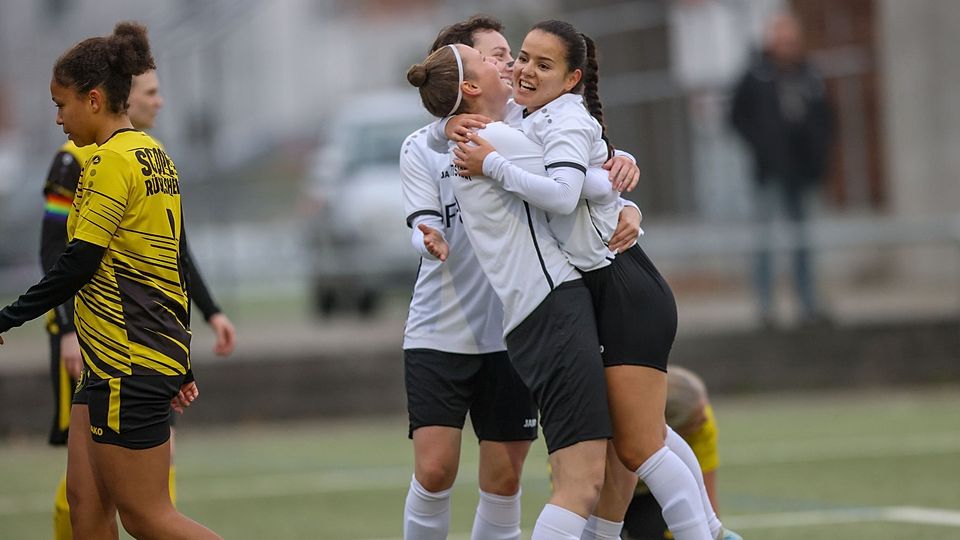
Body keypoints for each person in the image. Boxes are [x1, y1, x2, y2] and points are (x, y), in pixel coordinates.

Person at [451, 20, 735, 540]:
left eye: (542, 63)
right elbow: (586, 175)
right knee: (644, 437)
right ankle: (712, 530)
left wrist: (492, 164)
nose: (522, 69)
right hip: (602, 287)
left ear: (572, 77)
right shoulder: (528, 117)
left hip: (624, 286)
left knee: (640, 445)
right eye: (520, 58)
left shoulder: (560, 119)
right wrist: (618, 178)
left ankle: (709, 533)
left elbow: (562, 190)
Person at [401, 16, 643, 540]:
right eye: (495, 57)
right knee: (437, 469)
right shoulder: (431, 142)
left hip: (513, 325)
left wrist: (625, 178)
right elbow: (558, 180)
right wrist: (425, 232)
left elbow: (575, 164)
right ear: (463, 78)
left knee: (509, 475)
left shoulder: (528, 118)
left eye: (513, 54)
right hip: (446, 326)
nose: (511, 65)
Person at [0, 21, 220, 539]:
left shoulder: (106, 161)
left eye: (62, 104)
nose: (58, 118)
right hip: (111, 364)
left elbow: (76, 262)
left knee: (146, 516)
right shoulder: (155, 155)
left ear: (94, 100)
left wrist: (7, 316)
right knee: (85, 504)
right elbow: (172, 264)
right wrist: (180, 359)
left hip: (129, 363)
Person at [40, 66, 237, 539]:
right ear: (115, 96)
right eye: (150, 92)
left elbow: (174, 255)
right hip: (97, 346)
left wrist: (204, 319)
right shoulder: (75, 161)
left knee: (144, 508)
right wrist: (65, 328)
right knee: (86, 503)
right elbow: (57, 253)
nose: (158, 102)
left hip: (137, 349)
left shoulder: (151, 160)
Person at [730, 11, 834, 327]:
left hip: (803, 171)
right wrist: (762, 145)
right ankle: (765, 308)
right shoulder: (755, 75)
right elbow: (737, 117)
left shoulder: (809, 74)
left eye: (791, 39)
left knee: (803, 240)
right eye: (781, 38)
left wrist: (819, 152)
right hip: (768, 171)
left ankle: (807, 304)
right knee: (765, 240)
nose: (786, 45)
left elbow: (827, 118)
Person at [623, 367, 739, 540]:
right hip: (615, 492)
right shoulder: (625, 430)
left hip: (652, 494)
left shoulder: (703, 425)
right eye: (696, 419)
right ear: (671, 423)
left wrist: (715, 534)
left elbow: (704, 496)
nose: (705, 419)